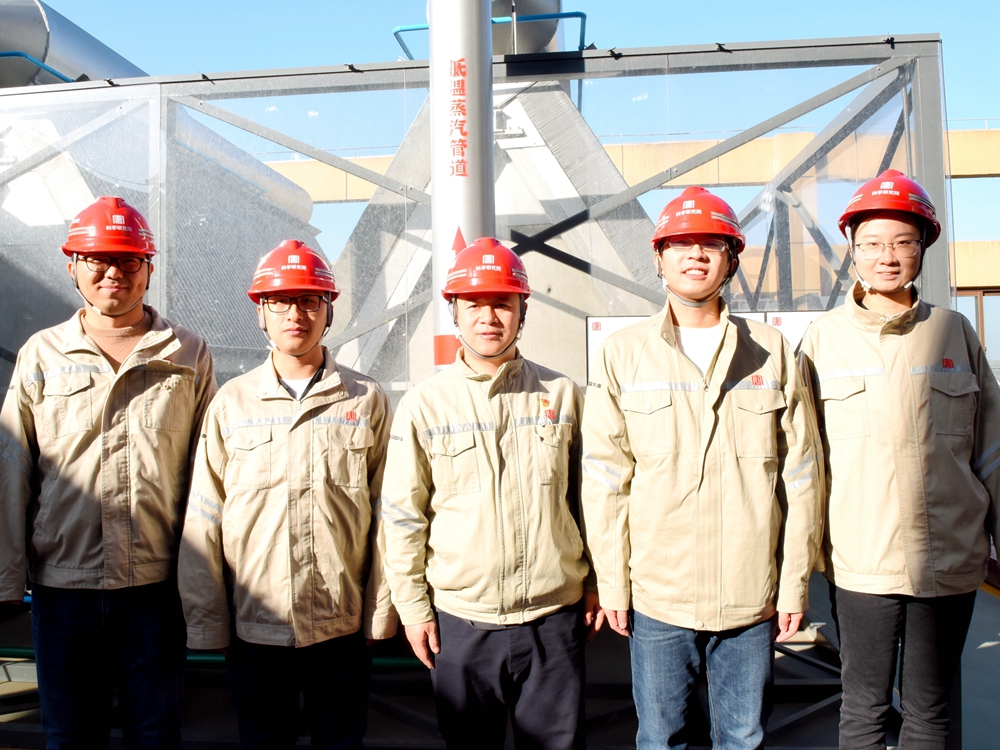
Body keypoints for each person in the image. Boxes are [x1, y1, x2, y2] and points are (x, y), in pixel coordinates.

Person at [581, 186, 824, 750]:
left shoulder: (771, 351)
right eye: (681, 244)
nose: (696, 254)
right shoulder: (623, 354)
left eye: (711, 244)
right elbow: (605, 482)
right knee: (661, 738)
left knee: (743, 738)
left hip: (750, 595)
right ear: (659, 257)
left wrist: (793, 586)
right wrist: (613, 584)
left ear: (731, 259)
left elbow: (802, 478)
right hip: (659, 596)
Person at [0, 196, 216, 749]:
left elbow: (209, 474)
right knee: (71, 737)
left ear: (149, 268)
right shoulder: (42, 354)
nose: (113, 272)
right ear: (72, 266)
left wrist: (205, 583)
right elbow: (12, 468)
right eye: (97, 259)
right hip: (62, 590)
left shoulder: (187, 353)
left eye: (128, 260)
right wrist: (6, 578)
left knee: (155, 736)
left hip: (155, 591)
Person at [797, 169, 1000, 749]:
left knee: (930, 712)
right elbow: (803, 461)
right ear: (852, 250)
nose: (888, 256)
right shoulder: (822, 339)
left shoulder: (955, 331)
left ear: (923, 247)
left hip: (949, 556)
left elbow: (991, 447)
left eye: (903, 242)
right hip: (860, 558)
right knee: (862, 708)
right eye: (873, 243)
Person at [381, 238, 598, 750]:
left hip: (552, 620)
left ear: (522, 311)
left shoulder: (562, 395)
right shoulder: (425, 405)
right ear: (454, 311)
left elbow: (590, 501)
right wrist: (413, 609)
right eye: (474, 304)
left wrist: (597, 583)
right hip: (462, 625)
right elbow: (403, 517)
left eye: (502, 303)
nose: (488, 317)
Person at [177, 240, 396, 749]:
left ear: (328, 310)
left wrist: (379, 613)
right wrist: (211, 624)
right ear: (260, 312)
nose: (295, 314)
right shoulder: (231, 404)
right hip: (255, 630)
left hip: (340, 630)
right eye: (279, 301)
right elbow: (203, 518)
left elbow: (388, 515)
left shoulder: (365, 399)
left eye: (309, 300)